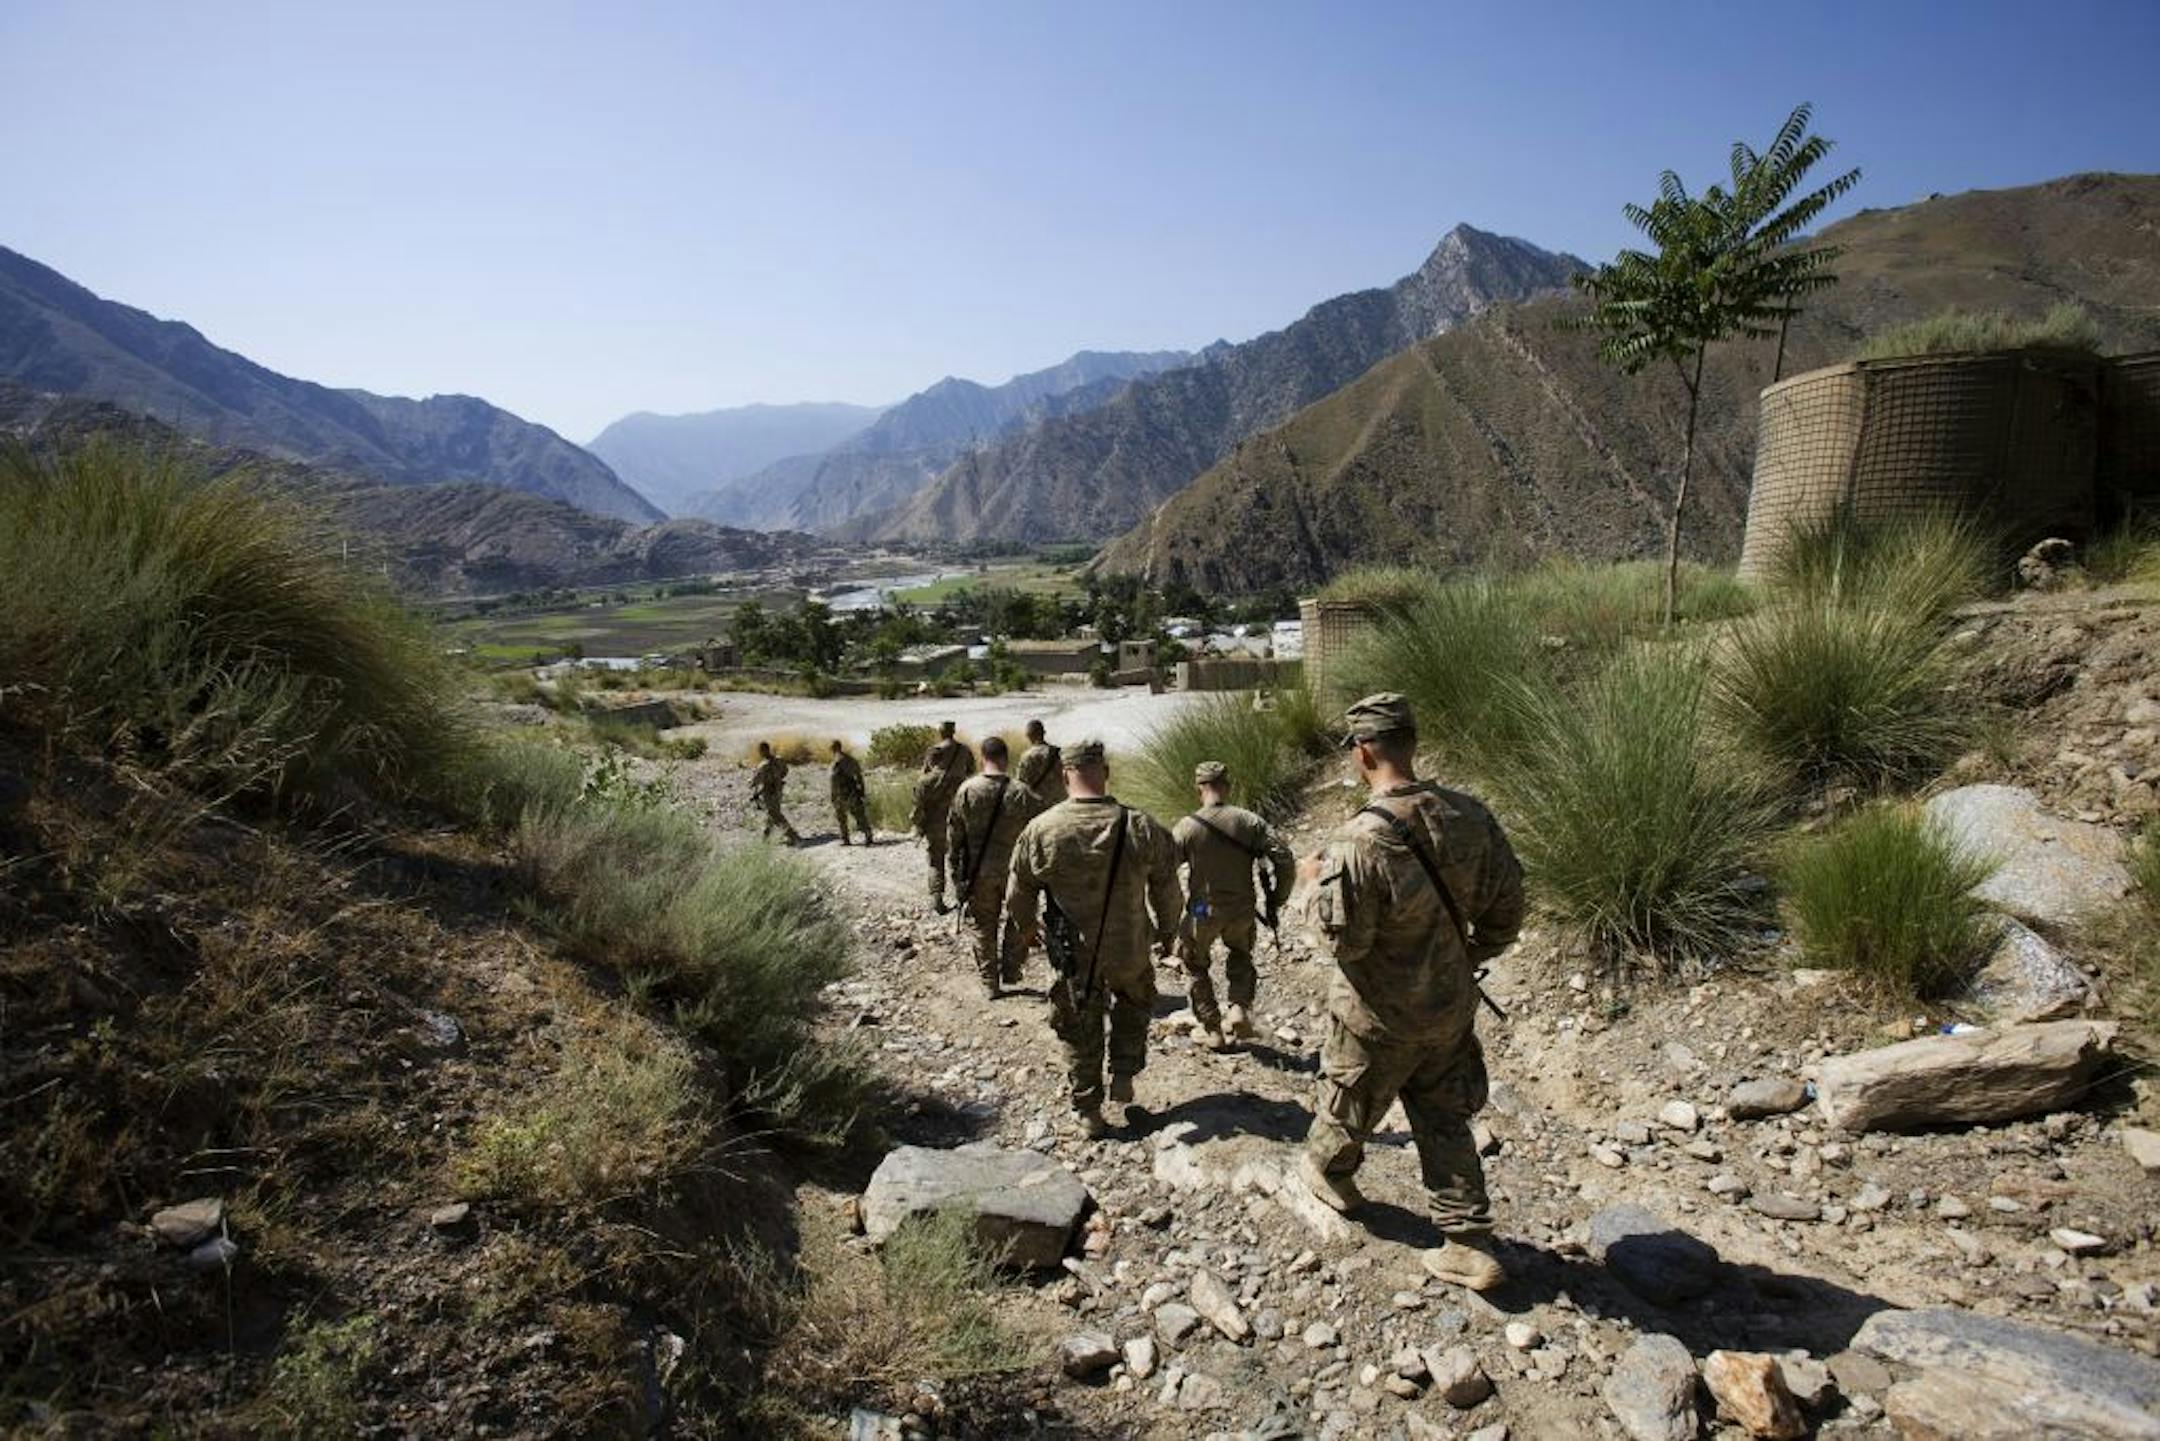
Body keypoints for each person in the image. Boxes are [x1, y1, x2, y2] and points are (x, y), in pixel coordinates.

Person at [1295, 693, 1525, 1292]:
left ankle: (1332, 1175)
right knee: (1445, 1118)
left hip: (1377, 1017)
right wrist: (1461, 958)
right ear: (1411, 743)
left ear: (1363, 751)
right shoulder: (1472, 816)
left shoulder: (1358, 841)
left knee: (1349, 1105)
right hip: (1448, 1010)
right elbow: (1507, 912)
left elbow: (1343, 942)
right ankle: (1467, 1242)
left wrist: (1310, 886)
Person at [1008, 739, 1181, 1140]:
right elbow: (1167, 885)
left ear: (1064, 775)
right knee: (1135, 1002)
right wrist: (1169, 929)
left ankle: (1089, 1110)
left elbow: (1019, 890)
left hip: (1073, 953)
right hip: (1130, 945)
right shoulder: (1139, 824)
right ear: (1105, 772)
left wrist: (1027, 928)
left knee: (1077, 1023)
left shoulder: (1042, 829)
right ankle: (1123, 1071)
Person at [1173, 760, 1295, 1050]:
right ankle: (1239, 1008)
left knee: (1194, 963)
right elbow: (1284, 857)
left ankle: (1213, 1028)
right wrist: (1278, 897)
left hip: (1203, 909)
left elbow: (1165, 870)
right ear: (1227, 786)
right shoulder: (1249, 821)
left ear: (1198, 789)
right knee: (1240, 953)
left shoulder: (1187, 826)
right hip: (1242, 907)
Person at [946, 736, 1044, 998]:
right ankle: (1011, 970)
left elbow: (954, 839)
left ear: (982, 758)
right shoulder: (1022, 792)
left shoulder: (966, 791)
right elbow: (1041, 834)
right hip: (1016, 873)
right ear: (1006, 758)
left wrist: (957, 877)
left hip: (980, 873)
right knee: (1018, 920)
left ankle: (990, 983)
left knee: (983, 926)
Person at [912, 720, 976, 912]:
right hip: (961, 822)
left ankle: (937, 897)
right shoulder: (964, 754)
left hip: (935, 824)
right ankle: (963, 896)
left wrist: (918, 826)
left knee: (935, 860)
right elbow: (972, 770)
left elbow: (918, 809)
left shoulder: (925, 782)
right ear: (953, 731)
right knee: (961, 859)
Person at [750, 740, 801, 845]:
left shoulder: (763, 766)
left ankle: (792, 835)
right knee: (772, 813)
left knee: (775, 814)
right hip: (778, 790)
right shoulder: (779, 760)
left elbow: (755, 781)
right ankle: (765, 837)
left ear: (763, 751)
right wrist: (778, 779)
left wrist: (751, 783)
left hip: (768, 792)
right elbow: (785, 771)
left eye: (760, 751)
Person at [829, 739, 872, 846]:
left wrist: (833, 795)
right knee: (854, 815)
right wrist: (861, 791)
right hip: (849, 792)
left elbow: (834, 780)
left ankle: (849, 839)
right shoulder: (850, 760)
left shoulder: (838, 761)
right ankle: (865, 836)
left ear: (833, 748)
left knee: (848, 816)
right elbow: (859, 776)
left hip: (845, 792)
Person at [1015, 718, 1067, 807]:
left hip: (1039, 805)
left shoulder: (1027, 756)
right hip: (1060, 803)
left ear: (1028, 735)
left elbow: (1021, 785)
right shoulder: (1059, 752)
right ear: (1044, 733)